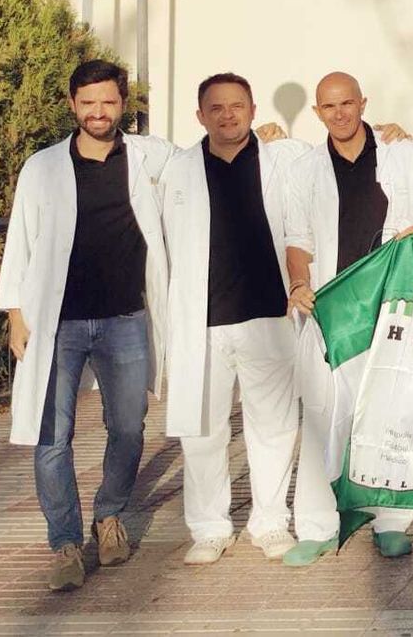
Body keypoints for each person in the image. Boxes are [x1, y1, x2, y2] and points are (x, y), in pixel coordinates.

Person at [0, 60, 177, 591]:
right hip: (58, 323)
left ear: (123, 104)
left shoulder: (148, 157)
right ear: (73, 104)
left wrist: (273, 144)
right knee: (51, 435)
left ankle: (110, 514)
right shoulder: (42, 168)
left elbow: (208, 158)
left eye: (109, 102)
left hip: (125, 318)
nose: (99, 112)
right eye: (89, 102)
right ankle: (65, 542)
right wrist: (15, 314)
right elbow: (21, 240)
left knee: (129, 426)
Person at [281, 72, 413, 566]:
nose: (339, 114)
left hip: (393, 302)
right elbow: (297, 240)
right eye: (328, 107)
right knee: (321, 414)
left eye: (347, 103)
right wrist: (299, 283)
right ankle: (317, 526)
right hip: (334, 306)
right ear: (317, 113)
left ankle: (390, 522)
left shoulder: (402, 153)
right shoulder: (304, 169)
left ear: (362, 103)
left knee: (391, 412)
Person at [159, 73, 313, 566]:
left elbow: (339, 154)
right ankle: (209, 527)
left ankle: (270, 522)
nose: (228, 115)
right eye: (216, 108)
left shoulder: (282, 161)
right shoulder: (177, 170)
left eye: (237, 106)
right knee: (202, 431)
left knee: (273, 426)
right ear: (200, 115)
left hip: (267, 315)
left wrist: (394, 137)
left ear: (252, 110)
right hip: (201, 322)